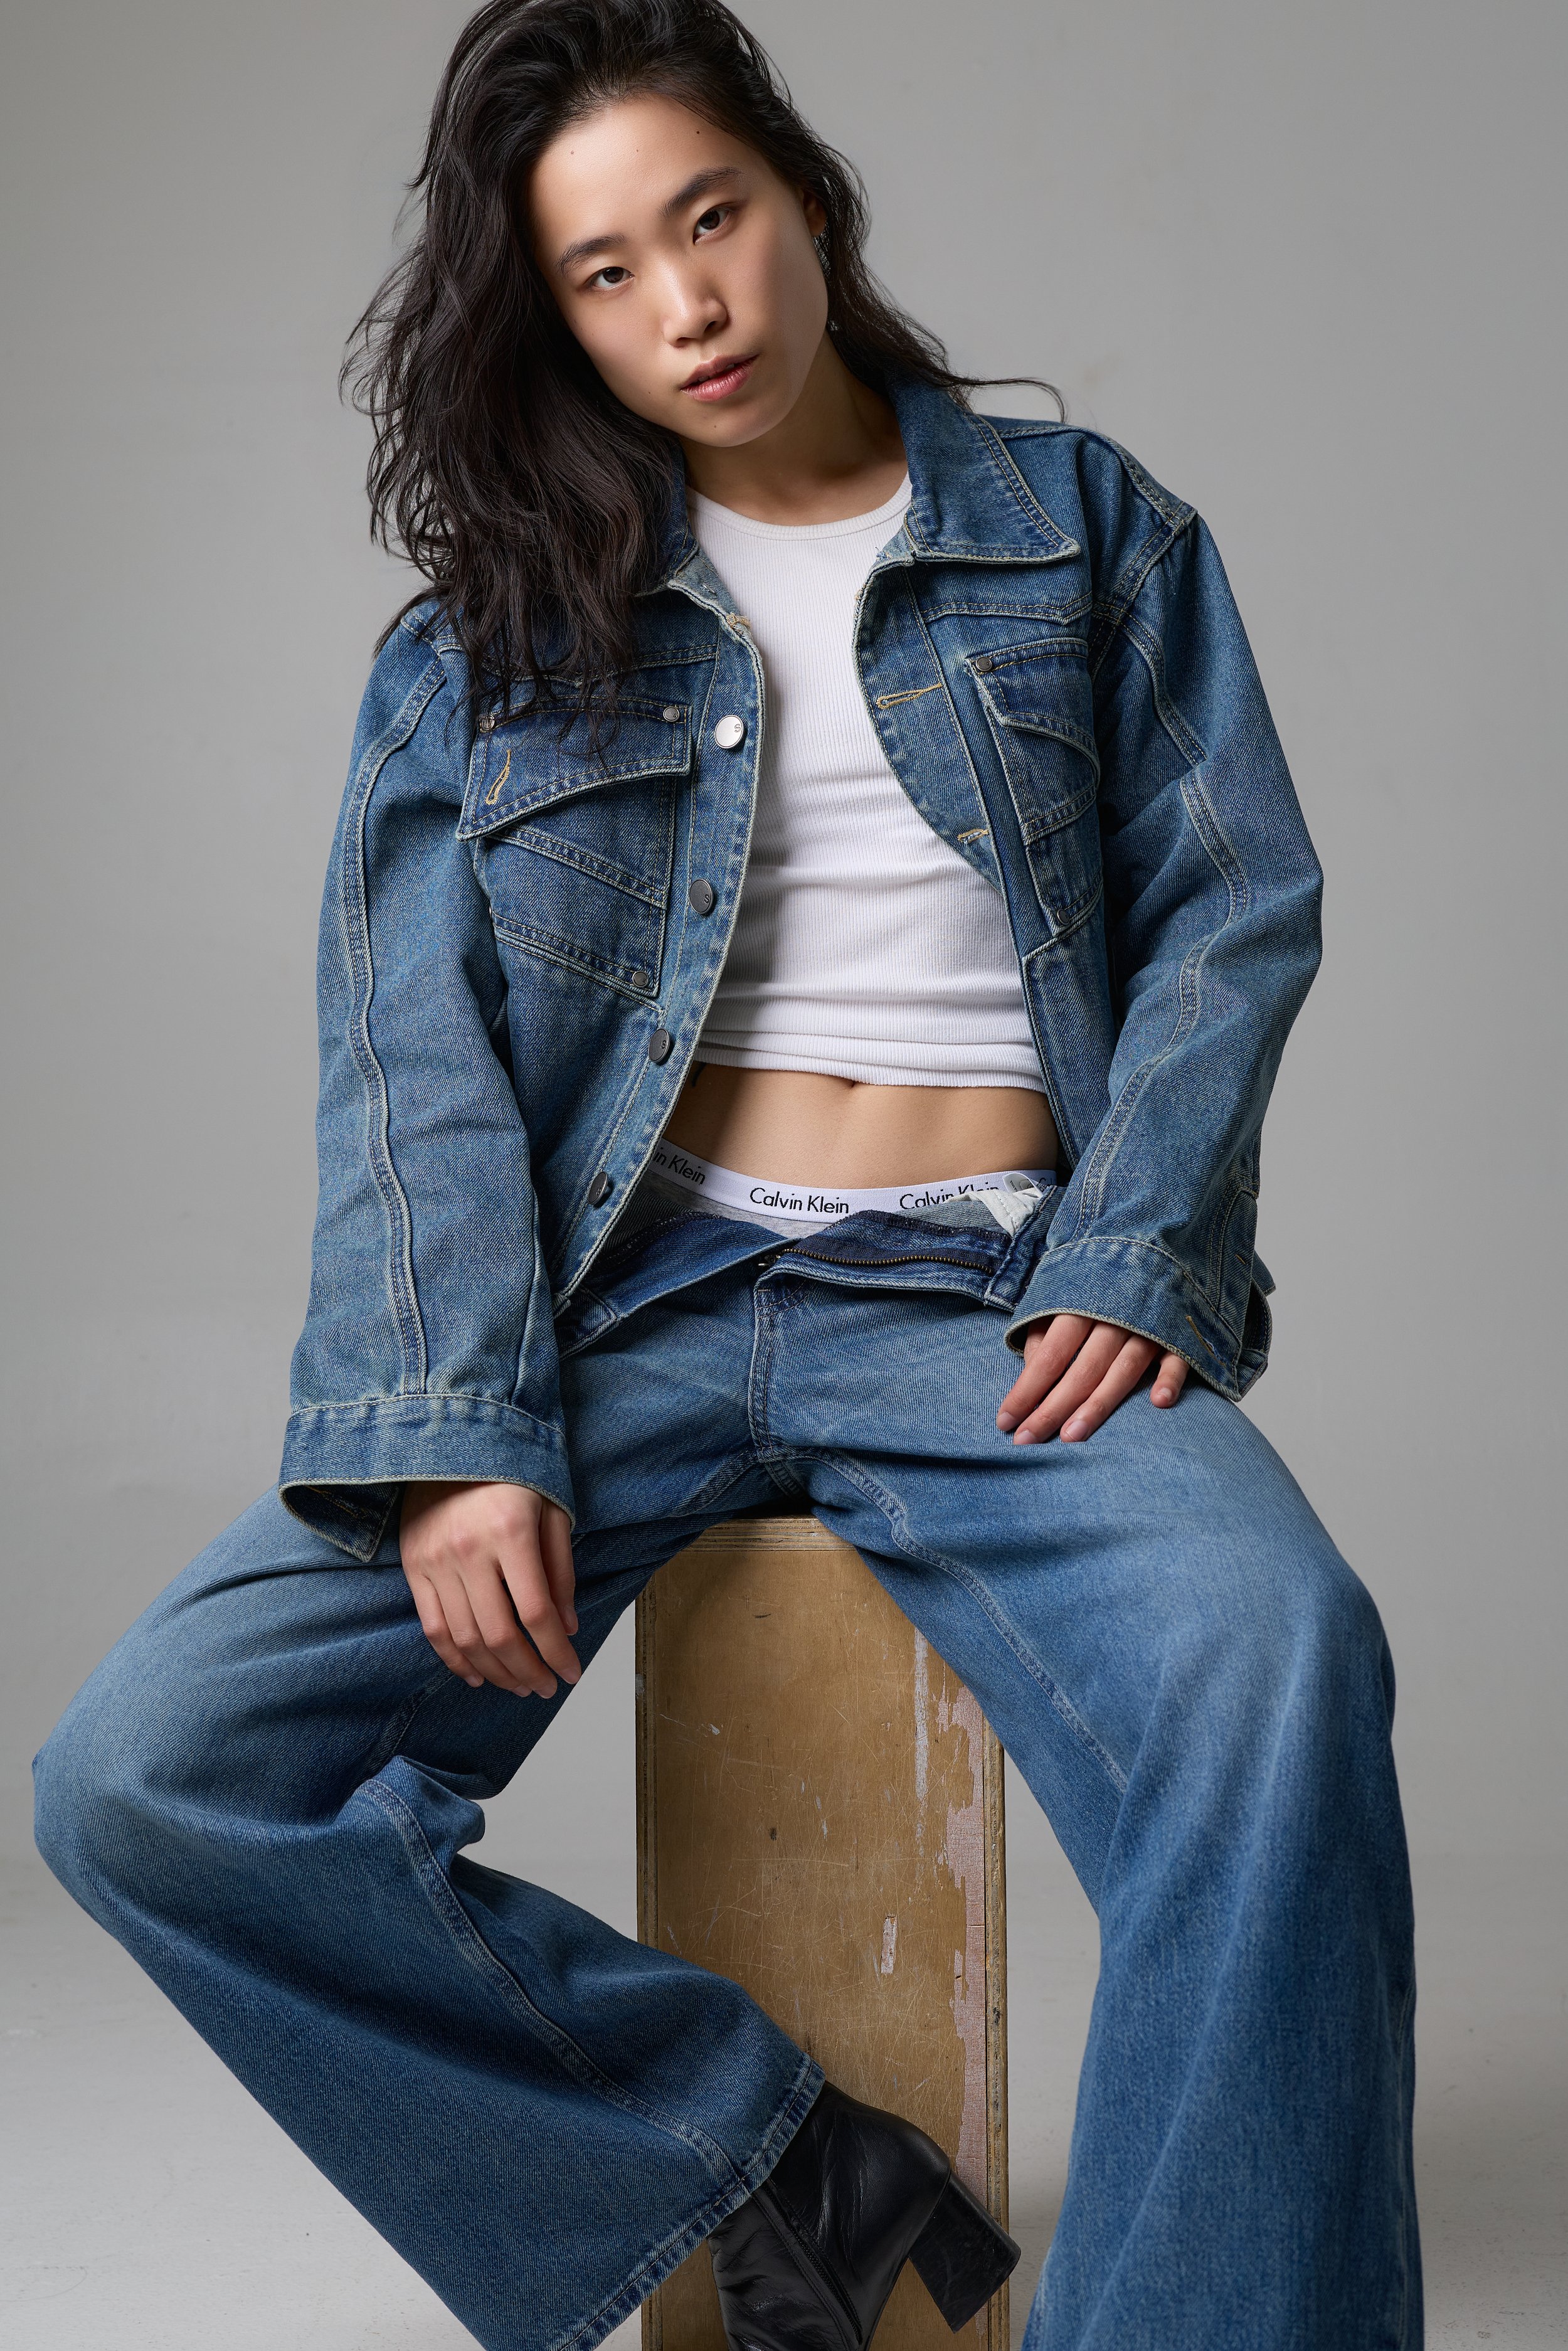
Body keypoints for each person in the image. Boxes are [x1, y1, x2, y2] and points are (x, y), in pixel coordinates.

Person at [33, 3, 1421, 2346]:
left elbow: (1232, 902)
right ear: (547, 315)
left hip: (987, 1303)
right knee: (147, 1776)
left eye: (710, 218)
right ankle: (762, 2156)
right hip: (631, 1302)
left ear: (803, 199)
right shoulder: (489, 643)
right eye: (601, 272)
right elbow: (411, 1065)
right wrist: (460, 1431)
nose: (685, 304)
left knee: (1281, 1662)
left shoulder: (1078, 533)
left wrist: (1142, 1245)